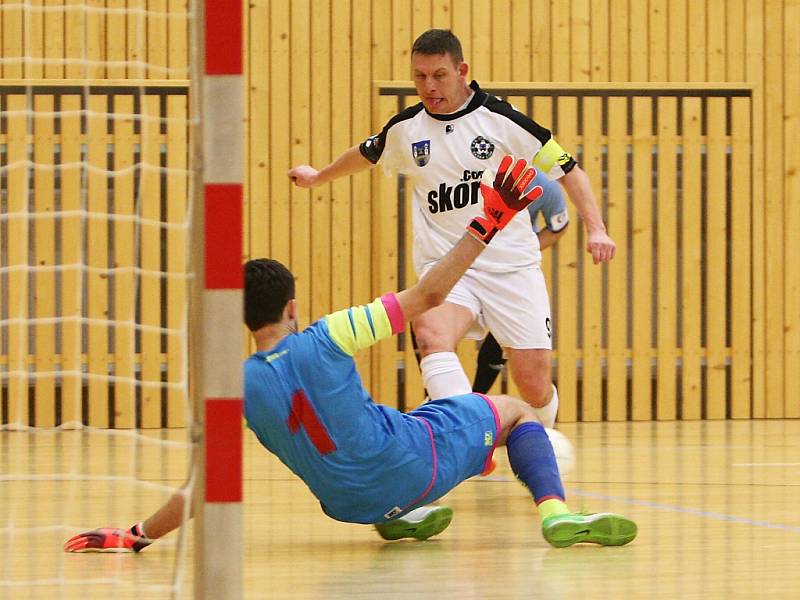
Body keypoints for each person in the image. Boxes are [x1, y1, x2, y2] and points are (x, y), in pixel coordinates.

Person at [64, 156, 636, 553]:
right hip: (414, 465)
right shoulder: (329, 335)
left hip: (347, 505)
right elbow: (431, 295)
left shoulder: (234, 384)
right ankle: (557, 514)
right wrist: (491, 216)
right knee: (511, 409)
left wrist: (136, 533)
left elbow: (206, 487)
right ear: (292, 306)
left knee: (401, 423)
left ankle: (404, 520)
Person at [288, 29, 615, 431]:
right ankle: (469, 437)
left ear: (462, 71)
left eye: (439, 75)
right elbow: (367, 153)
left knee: (532, 383)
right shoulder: (407, 129)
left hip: (511, 266)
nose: (429, 86)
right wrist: (319, 177)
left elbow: (569, 170)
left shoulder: (501, 120)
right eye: (419, 76)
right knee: (429, 336)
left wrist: (597, 229)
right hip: (447, 269)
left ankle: (542, 438)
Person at [472, 172, 569, 394]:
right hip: (468, 262)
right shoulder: (472, 174)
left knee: (503, 338)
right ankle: (437, 396)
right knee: (432, 321)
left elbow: (559, 226)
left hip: (511, 271)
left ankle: (476, 396)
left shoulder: (544, 186)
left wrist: (522, 252)